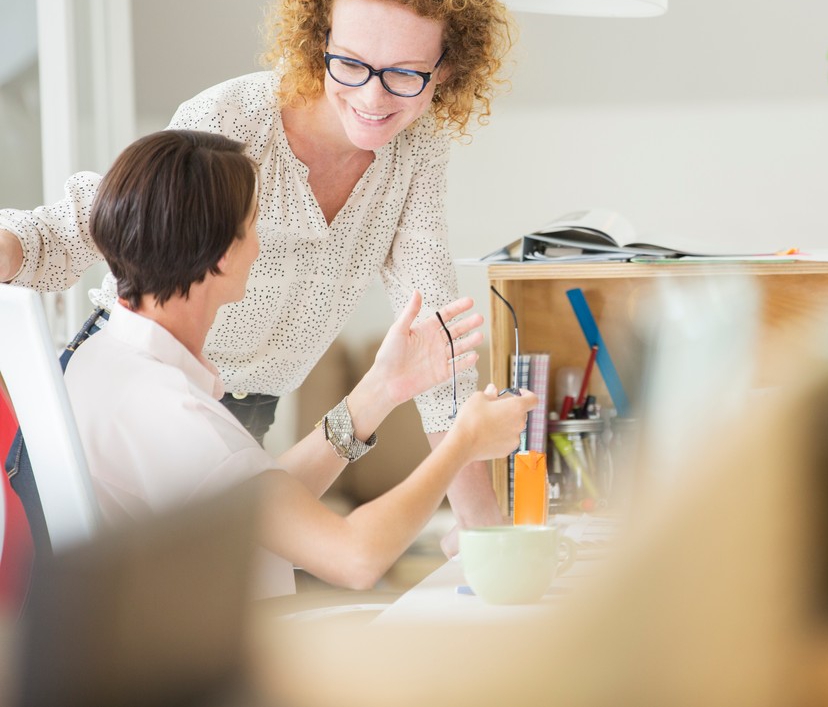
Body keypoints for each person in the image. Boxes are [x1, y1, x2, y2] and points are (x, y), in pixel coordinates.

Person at [0, 0, 515, 552]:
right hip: (150, 390)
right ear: (317, 39)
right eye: (350, 64)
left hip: (246, 411)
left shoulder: (416, 148)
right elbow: (104, 212)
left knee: (243, 595)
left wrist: (485, 528)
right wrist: (11, 247)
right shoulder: (236, 119)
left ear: (444, 71)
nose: (375, 98)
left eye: (406, 75)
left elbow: (436, 336)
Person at [65, 129, 536, 597]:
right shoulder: (180, 418)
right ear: (225, 256)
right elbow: (354, 556)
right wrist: (463, 443)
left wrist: (381, 390)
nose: (259, 246)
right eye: (254, 225)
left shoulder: (101, 360)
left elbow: (259, 502)